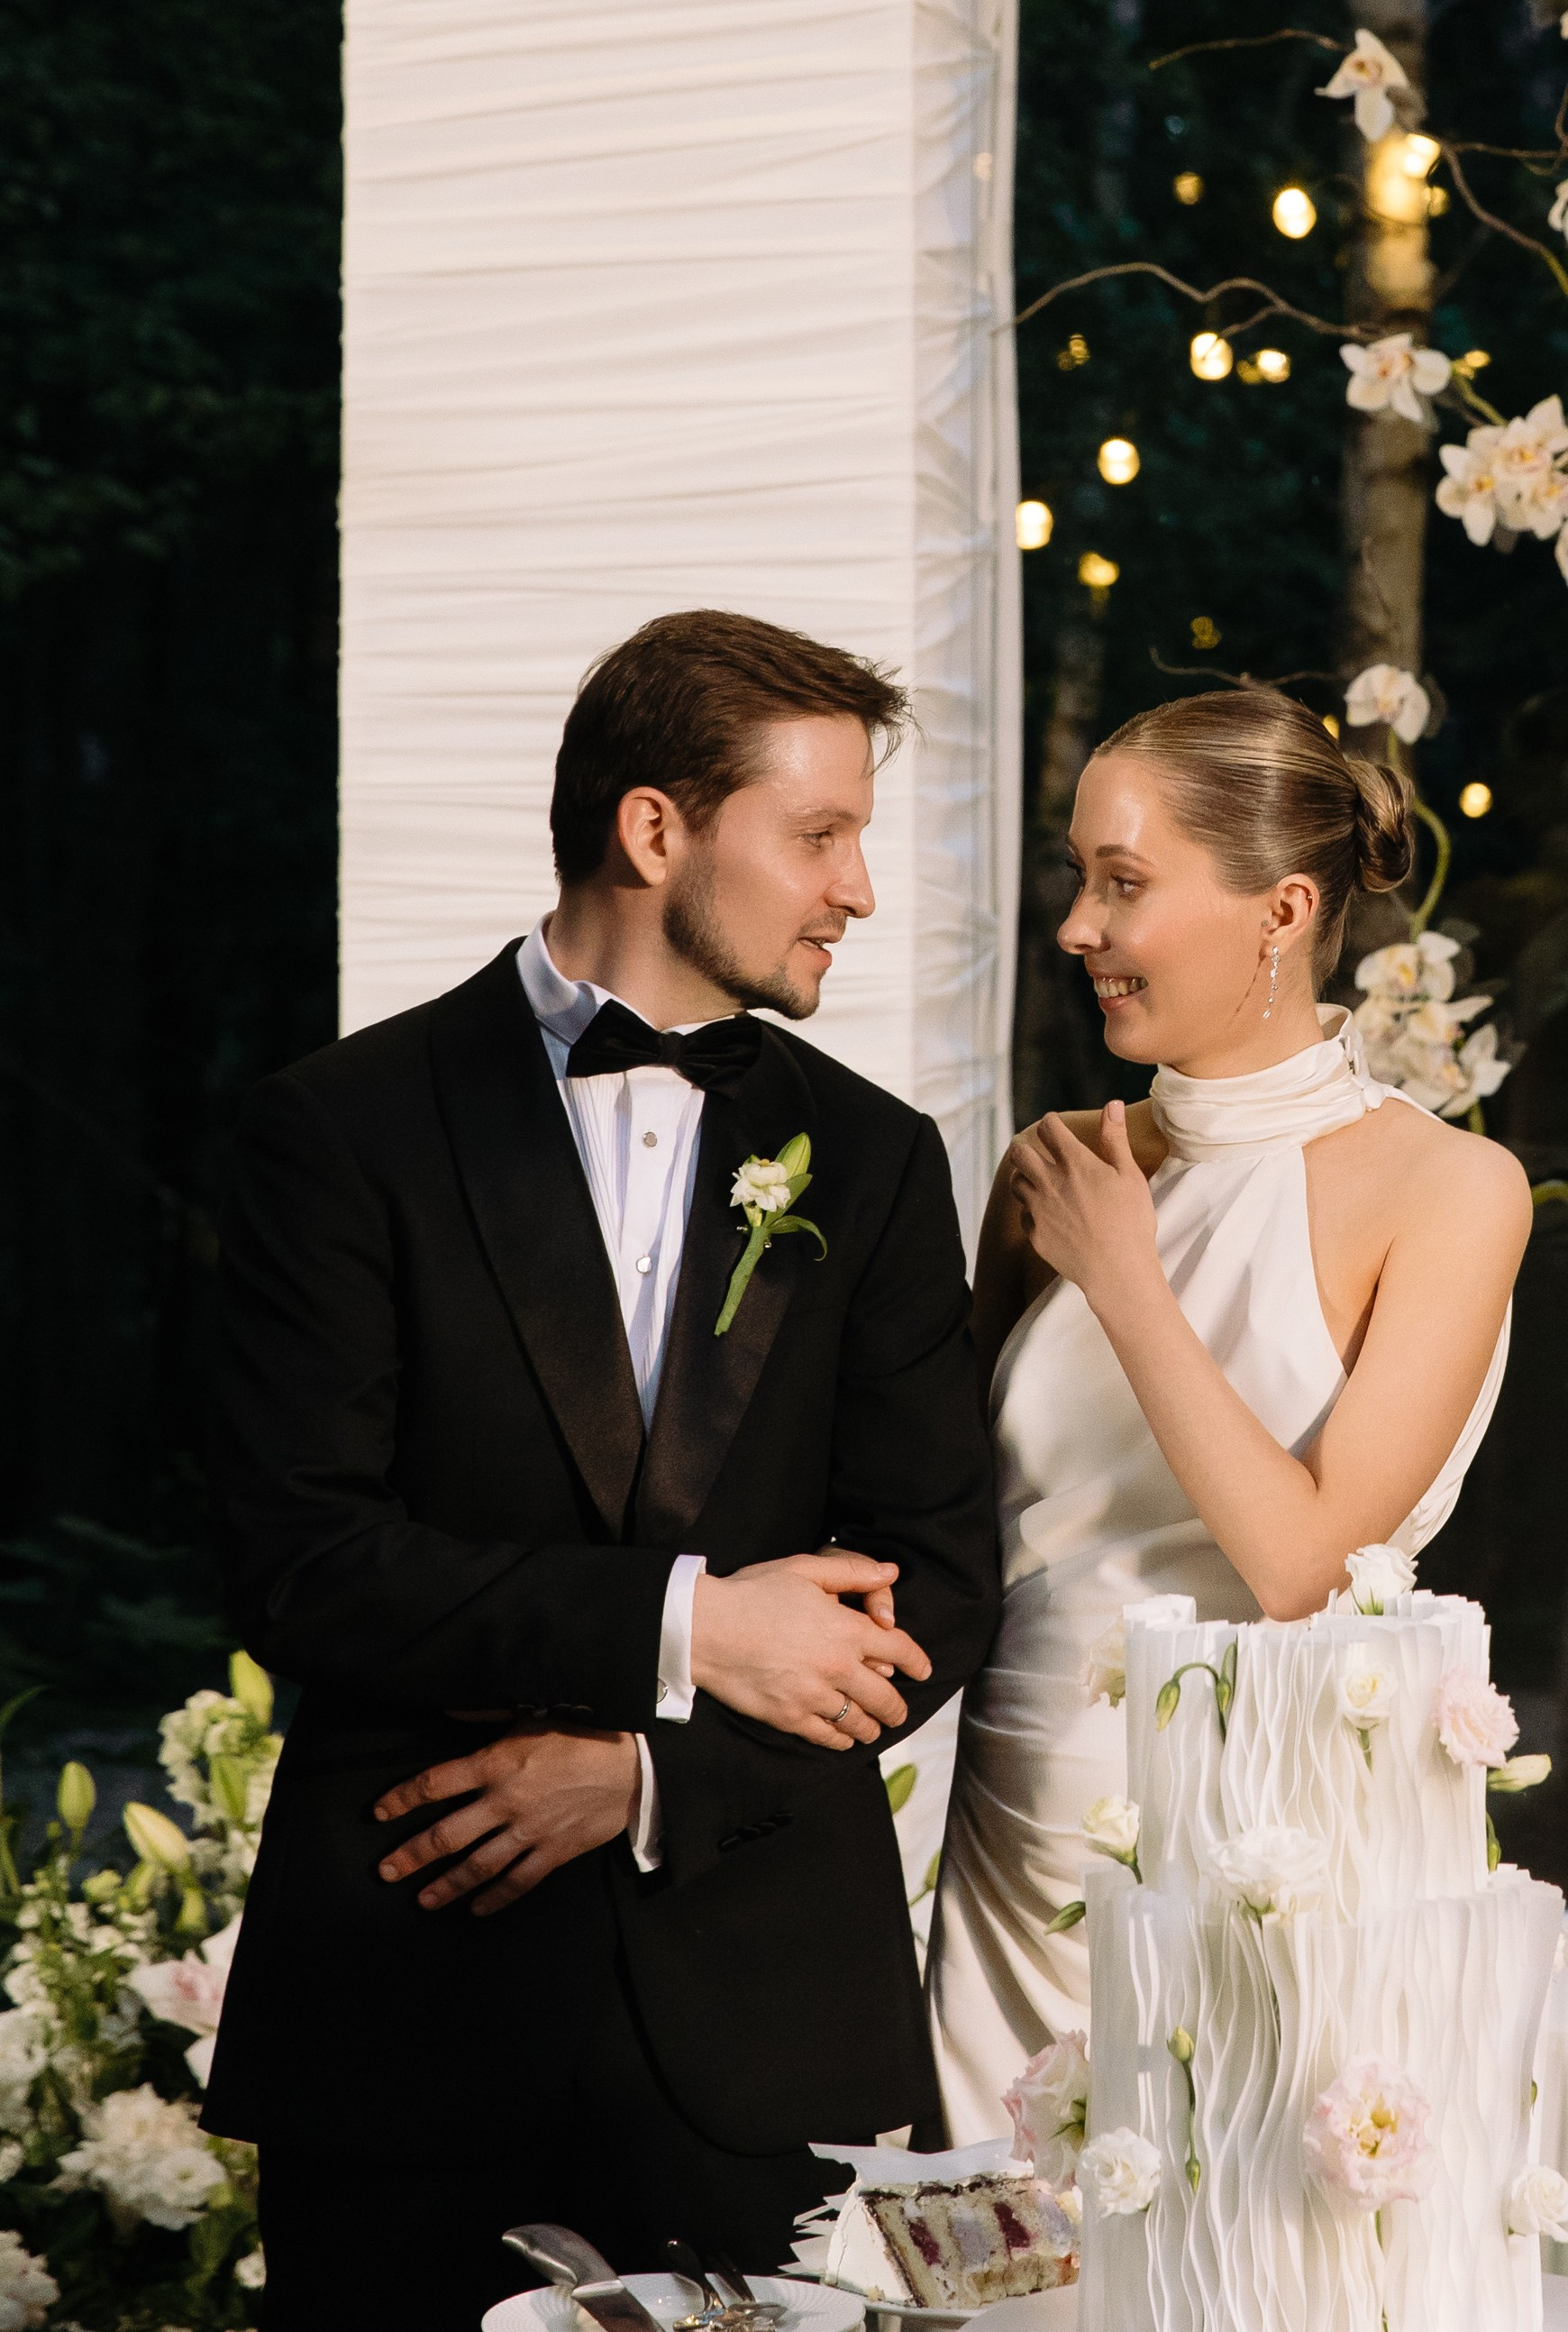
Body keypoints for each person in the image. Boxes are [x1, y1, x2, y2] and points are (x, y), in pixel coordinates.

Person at [204, 610, 1000, 2332]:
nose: (856, 887)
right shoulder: (336, 1132)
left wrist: (646, 1775)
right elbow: (302, 1562)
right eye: (818, 834)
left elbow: (936, 1588)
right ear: (657, 832)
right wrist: (686, 1624)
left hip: (763, 2017)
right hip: (411, 2017)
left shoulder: (870, 1162)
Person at [925, 683, 1530, 2142]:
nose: (1078, 926)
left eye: (1123, 883)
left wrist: (1130, 1281)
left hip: (1252, 1857)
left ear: (1282, 909)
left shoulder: (1452, 1191)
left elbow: (1303, 1566)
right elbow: (935, 1511)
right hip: (1002, 1839)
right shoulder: (1057, 1168)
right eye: (1081, 875)